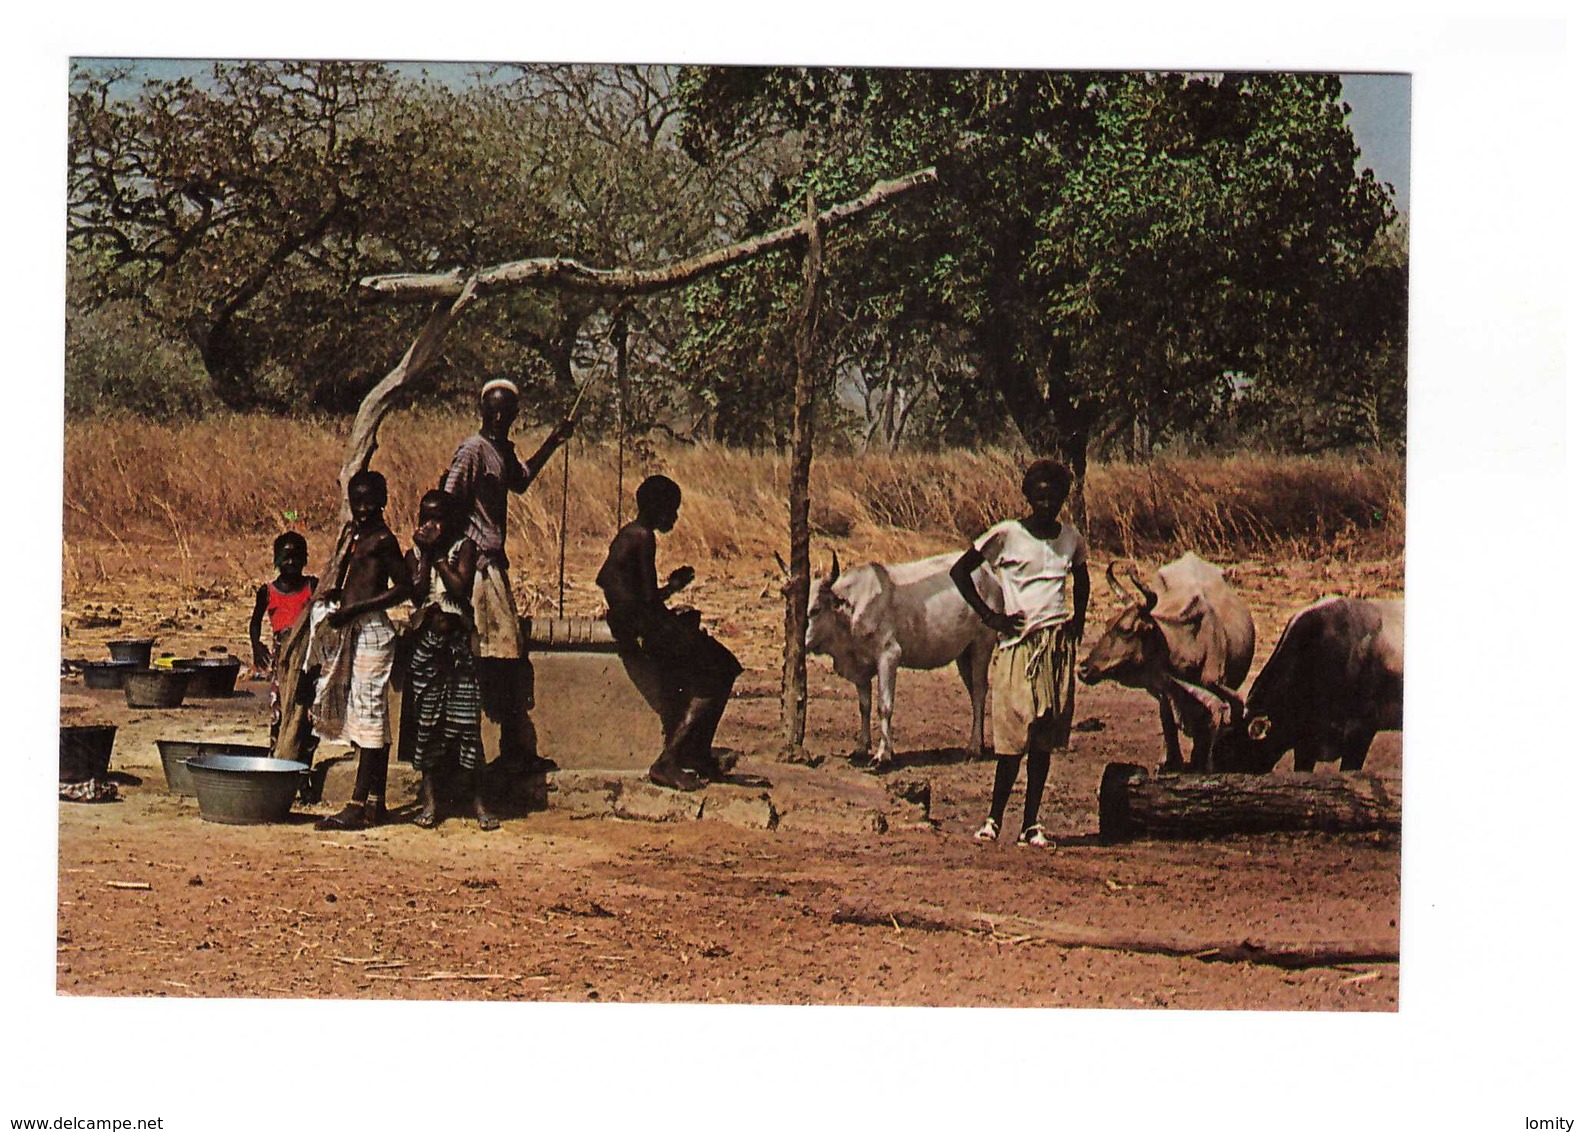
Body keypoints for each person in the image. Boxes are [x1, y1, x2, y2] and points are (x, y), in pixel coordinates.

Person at [949, 459, 1089, 848]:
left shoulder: (1071, 538)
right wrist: (991, 617)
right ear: (1028, 496)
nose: (1047, 503)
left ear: (1063, 497)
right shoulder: (1007, 534)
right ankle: (994, 819)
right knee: (1012, 737)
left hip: (1055, 646)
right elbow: (961, 571)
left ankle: (1031, 823)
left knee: (1044, 738)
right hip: (1017, 645)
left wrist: (1078, 619)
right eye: (1039, 495)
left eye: (1054, 496)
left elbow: (1082, 575)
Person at [442, 379, 575, 774]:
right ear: (483, 411)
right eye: (494, 410)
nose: (500, 417)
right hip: (479, 562)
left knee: (501, 652)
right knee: (498, 653)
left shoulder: (501, 450)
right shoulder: (472, 450)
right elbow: (448, 500)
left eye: (507, 412)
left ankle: (508, 749)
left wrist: (554, 440)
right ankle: (507, 751)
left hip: (492, 561)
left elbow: (520, 480)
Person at [596, 474, 742, 792]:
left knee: (717, 663)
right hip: (641, 630)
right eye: (671, 511)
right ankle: (672, 759)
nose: (674, 518)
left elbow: (617, 585)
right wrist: (668, 622)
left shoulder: (629, 535)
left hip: (635, 625)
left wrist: (671, 591)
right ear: (657, 509)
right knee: (721, 669)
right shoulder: (642, 537)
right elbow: (645, 602)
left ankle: (696, 753)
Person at [309, 470, 412, 831]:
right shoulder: (358, 536)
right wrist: (342, 599)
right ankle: (375, 801)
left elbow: (404, 588)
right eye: (357, 502)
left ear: (383, 500)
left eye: (370, 502)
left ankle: (356, 805)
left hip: (371, 630)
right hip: (357, 628)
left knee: (368, 717)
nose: (364, 508)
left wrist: (356, 608)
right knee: (370, 717)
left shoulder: (383, 539)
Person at [403, 489, 497, 831]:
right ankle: (430, 801)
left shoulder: (463, 548)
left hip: (457, 652)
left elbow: (458, 587)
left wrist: (439, 555)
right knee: (428, 727)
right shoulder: (414, 553)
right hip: (428, 650)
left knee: (467, 729)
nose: (431, 525)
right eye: (425, 518)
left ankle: (478, 802)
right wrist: (426, 555)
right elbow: (415, 592)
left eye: (438, 518)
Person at [248, 532, 318, 742]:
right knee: (280, 705)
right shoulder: (268, 592)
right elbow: (255, 622)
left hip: (308, 654)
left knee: (306, 708)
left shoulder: (312, 586)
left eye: (296, 557)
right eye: (285, 557)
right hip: (282, 658)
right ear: (276, 560)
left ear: (305, 559)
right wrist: (256, 645)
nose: (291, 563)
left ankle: (302, 755)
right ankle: (277, 751)